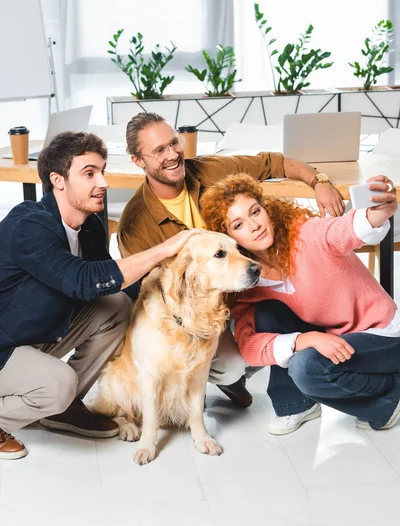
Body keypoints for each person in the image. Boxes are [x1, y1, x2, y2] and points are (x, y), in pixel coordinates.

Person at [117, 112, 345, 408]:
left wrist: (319, 181)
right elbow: (148, 298)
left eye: (174, 143)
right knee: (232, 366)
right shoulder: (134, 225)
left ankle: (314, 371)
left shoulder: (208, 170)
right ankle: (227, 378)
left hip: (250, 291)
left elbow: (276, 163)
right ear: (137, 160)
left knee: (297, 305)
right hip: (199, 318)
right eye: (159, 150)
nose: (173, 155)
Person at [0, 131, 203, 460]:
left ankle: (57, 408)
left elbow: (116, 283)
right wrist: (164, 249)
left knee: (115, 306)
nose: (104, 182)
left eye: (103, 171)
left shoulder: (91, 225)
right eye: (90, 173)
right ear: (58, 181)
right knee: (58, 382)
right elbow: (82, 281)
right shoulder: (28, 227)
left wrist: (181, 306)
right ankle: (30, 407)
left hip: (31, 333)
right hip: (3, 348)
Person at [200, 172, 400, 435]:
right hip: (335, 338)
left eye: (255, 212)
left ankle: (389, 397)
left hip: (383, 334)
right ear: (229, 238)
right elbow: (248, 345)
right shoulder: (248, 283)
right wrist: (305, 340)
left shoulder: (306, 234)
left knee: (306, 369)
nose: (254, 225)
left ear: (266, 209)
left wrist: (377, 213)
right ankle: (298, 404)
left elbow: (343, 229)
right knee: (268, 313)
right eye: (238, 225)